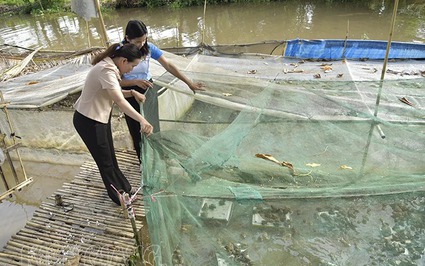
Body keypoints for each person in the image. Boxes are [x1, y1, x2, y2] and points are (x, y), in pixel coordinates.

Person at [73, 42, 153, 205]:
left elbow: (111, 91)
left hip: (99, 118)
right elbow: (118, 100)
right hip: (89, 121)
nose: (131, 70)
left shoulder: (110, 67)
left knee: (110, 156)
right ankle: (119, 198)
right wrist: (142, 120)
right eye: (132, 66)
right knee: (105, 161)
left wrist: (131, 91)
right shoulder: (106, 70)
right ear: (124, 61)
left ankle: (126, 188)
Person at [120, 20, 205, 162]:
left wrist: (189, 83)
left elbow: (168, 65)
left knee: (153, 125)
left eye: (144, 40)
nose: (141, 44)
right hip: (130, 93)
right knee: (136, 128)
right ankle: (143, 162)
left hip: (148, 89)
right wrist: (134, 82)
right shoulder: (120, 52)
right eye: (137, 42)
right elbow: (114, 81)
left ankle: (160, 158)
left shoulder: (148, 48)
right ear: (127, 39)